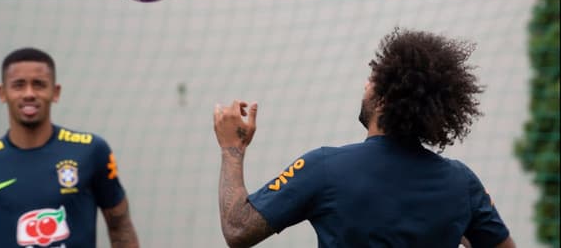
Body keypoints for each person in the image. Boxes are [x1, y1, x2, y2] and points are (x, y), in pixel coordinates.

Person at [213, 28, 516, 248]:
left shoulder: (324, 168)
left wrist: (231, 149)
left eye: (373, 79)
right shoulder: (461, 184)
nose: (365, 83)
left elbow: (238, 229)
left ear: (385, 99)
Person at [0, 47, 140, 248]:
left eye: (39, 85)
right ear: (2, 93)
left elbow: (120, 226)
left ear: (55, 92)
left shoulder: (92, 151)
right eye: (18, 85)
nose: (29, 94)